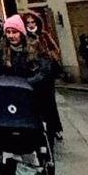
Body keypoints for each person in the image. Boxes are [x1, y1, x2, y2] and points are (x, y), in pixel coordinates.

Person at [22, 12, 62, 141]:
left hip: (46, 76)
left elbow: (56, 50)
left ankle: (55, 128)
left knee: (50, 103)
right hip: (32, 74)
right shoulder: (24, 37)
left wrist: (48, 58)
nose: (31, 25)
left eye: (33, 22)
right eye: (28, 23)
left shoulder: (44, 35)